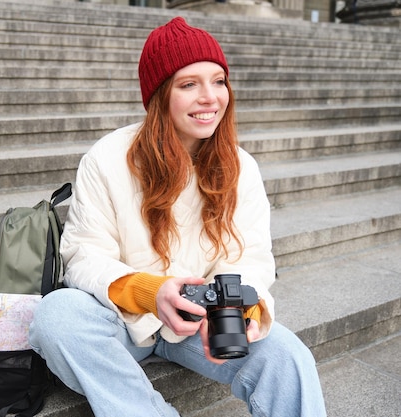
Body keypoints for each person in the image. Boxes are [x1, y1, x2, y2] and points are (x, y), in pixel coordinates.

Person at [29, 16, 327, 417]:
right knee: (57, 315)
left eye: (218, 81)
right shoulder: (107, 157)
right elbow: (83, 256)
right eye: (189, 84)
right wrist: (153, 293)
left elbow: (250, 255)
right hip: (123, 319)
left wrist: (240, 308)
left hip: (200, 325)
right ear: (160, 94)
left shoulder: (241, 167)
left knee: (287, 356)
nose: (210, 97)